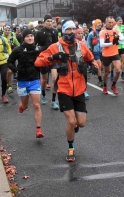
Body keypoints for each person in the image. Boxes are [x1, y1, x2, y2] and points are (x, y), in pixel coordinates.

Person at [35, 19, 99, 162]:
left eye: (73, 29)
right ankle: (71, 148)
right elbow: (38, 62)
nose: (71, 32)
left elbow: (91, 59)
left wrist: (94, 66)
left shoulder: (81, 45)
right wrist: (53, 57)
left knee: (80, 123)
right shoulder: (55, 47)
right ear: (63, 31)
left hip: (80, 88)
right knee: (71, 121)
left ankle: (75, 125)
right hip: (63, 88)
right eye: (68, 30)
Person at [8, 29, 45, 138]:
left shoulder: (37, 50)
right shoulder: (18, 50)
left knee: (36, 105)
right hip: (22, 81)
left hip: (34, 80)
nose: (30, 38)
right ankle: (22, 106)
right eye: (27, 36)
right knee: (25, 106)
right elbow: (9, 61)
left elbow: (43, 61)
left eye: (31, 36)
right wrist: (15, 70)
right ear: (23, 38)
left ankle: (38, 129)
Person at [34, 14, 59, 109]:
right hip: (44, 58)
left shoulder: (55, 31)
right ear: (44, 22)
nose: (49, 23)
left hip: (53, 58)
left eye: (50, 21)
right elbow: (34, 45)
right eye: (47, 21)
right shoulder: (39, 33)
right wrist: (39, 50)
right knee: (44, 79)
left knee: (54, 79)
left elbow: (56, 44)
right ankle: (43, 95)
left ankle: (53, 101)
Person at [100, 16, 124, 95]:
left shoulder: (116, 30)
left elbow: (123, 37)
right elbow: (102, 44)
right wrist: (112, 43)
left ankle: (113, 85)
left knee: (118, 70)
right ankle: (104, 86)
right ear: (106, 23)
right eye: (109, 22)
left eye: (112, 22)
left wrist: (119, 38)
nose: (111, 24)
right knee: (106, 72)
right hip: (106, 55)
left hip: (114, 53)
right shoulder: (103, 32)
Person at [2, 25, 20, 93]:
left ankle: (9, 85)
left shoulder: (12, 37)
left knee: (9, 72)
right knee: (7, 72)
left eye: (8, 30)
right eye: (5, 30)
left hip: (11, 56)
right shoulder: (1, 38)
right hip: (3, 57)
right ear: (3, 31)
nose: (7, 31)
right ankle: (7, 84)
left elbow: (18, 45)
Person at [87, 19, 103, 87]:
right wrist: (89, 49)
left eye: (100, 23)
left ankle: (98, 74)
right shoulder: (92, 33)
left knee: (101, 67)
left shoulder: (103, 32)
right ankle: (100, 80)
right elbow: (88, 42)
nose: (100, 24)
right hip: (95, 52)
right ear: (95, 24)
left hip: (103, 51)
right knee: (99, 65)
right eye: (98, 23)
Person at [114, 17, 124, 81]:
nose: (121, 22)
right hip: (116, 47)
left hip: (123, 46)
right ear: (116, 21)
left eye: (122, 21)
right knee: (114, 62)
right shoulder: (114, 28)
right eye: (119, 21)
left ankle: (123, 74)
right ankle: (111, 72)